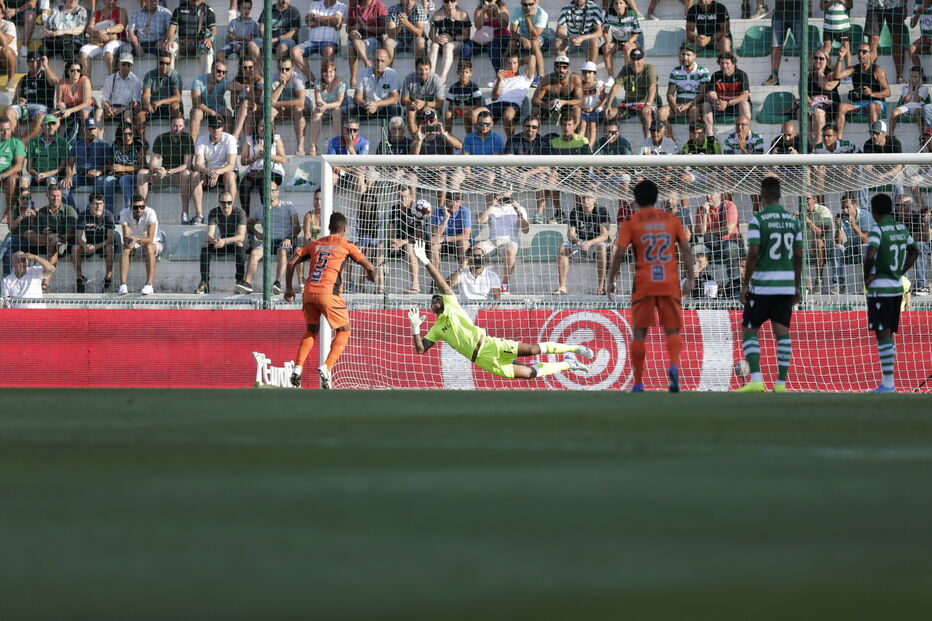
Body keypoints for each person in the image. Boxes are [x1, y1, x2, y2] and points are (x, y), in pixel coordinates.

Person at [408, 239, 593, 379]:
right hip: (483, 360)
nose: (435, 301)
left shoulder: (452, 307)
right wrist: (416, 329)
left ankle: (575, 348)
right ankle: (569, 364)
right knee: (530, 373)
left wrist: (425, 260)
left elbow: (444, 286)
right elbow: (421, 349)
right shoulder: (437, 328)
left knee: (534, 350)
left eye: (438, 298)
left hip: (490, 345)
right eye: (433, 302)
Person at [607, 179, 695, 393]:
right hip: (669, 281)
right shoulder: (671, 220)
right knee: (672, 330)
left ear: (635, 200)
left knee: (639, 333)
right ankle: (673, 366)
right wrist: (691, 277)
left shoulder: (631, 222)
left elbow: (619, 252)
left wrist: (610, 280)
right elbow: (685, 247)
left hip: (644, 283)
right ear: (657, 198)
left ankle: (638, 383)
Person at [285, 212, 377, 389]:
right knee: (344, 331)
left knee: (311, 330)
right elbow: (370, 267)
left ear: (328, 228)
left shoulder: (315, 244)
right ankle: (327, 367)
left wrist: (289, 288)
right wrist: (372, 277)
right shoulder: (347, 245)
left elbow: (291, 263)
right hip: (329, 294)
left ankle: (297, 368)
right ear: (344, 229)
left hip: (309, 292)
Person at [734, 176, 802, 393]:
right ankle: (781, 384)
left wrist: (745, 284)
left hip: (764, 284)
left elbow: (753, 253)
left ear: (761, 196)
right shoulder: (793, 221)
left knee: (749, 328)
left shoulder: (758, 220)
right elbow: (799, 256)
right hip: (785, 285)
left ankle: (756, 380)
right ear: (780, 195)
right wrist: (797, 286)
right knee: (782, 331)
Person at [863, 193, 919, 392]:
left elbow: (870, 254)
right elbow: (915, 250)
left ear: (874, 211)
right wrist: (900, 271)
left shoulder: (878, 230)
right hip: (896, 288)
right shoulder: (901, 228)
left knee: (883, 333)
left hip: (881, 288)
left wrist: (867, 275)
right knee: (889, 333)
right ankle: (888, 382)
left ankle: (888, 384)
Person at [243, 180, 298, 295]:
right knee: (254, 253)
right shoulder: (260, 209)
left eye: (273, 190)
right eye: (268, 191)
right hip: (268, 241)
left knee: (282, 252)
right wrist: (256, 233)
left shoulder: (288, 205)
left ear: (277, 192)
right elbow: (249, 224)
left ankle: (277, 283)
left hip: (284, 240)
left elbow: (297, 227)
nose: (270, 193)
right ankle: (247, 284)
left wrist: (289, 238)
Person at [553, 192, 610, 295]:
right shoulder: (575, 211)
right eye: (584, 197)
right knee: (563, 249)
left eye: (589, 197)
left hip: (596, 242)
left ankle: (601, 288)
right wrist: (579, 242)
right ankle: (562, 287)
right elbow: (571, 235)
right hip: (580, 242)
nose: (586, 199)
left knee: (602, 248)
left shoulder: (601, 211)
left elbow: (605, 235)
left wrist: (590, 242)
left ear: (594, 199)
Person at [140, 115, 194, 221]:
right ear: (170, 125)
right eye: (175, 126)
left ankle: (184, 214)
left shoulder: (188, 138)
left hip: (178, 176)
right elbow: (153, 163)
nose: (177, 128)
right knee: (142, 173)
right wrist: (158, 170)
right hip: (163, 175)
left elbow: (186, 165)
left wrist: (169, 171)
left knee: (186, 173)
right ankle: (143, 212)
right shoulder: (161, 138)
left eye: (180, 126)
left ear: (184, 126)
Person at [22, 184, 76, 291]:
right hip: (45, 239)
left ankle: (45, 283)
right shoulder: (42, 211)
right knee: (27, 233)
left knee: (54, 245)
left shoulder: (69, 210)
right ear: (47, 196)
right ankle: (51, 240)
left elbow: (71, 231)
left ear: (62, 196)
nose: (55, 198)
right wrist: (43, 232)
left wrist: (59, 237)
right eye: (52, 196)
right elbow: (34, 230)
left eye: (58, 196)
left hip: (62, 241)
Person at [475, 191, 528, 294]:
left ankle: (504, 284)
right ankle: (477, 282)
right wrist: (492, 205)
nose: (503, 194)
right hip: (492, 241)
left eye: (505, 192)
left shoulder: (520, 208)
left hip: (509, 241)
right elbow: (480, 221)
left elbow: (525, 230)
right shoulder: (492, 208)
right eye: (500, 191)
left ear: (511, 193)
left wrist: (518, 211)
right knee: (476, 250)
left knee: (510, 251)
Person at [196, 192, 247, 294]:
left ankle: (239, 281)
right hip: (223, 242)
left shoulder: (240, 212)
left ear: (233, 202)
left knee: (239, 244)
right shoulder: (214, 212)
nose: (226, 206)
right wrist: (214, 240)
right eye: (223, 203)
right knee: (205, 246)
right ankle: (204, 282)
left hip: (237, 243)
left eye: (229, 202)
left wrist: (224, 240)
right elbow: (210, 234)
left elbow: (241, 236)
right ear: (219, 203)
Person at [192, 115, 238, 223]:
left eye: (218, 126)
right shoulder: (202, 139)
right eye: (213, 127)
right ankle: (199, 215)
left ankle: (231, 212)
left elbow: (231, 165)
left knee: (230, 175)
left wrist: (216, 172)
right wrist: (209, 172)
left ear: (222, 127)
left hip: (225, 172)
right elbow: (197, 164)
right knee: (194, 176)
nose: (216, 130)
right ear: (209, 128)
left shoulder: (230, 139)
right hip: (208, 172)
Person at [605, 47, 658, 139]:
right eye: (633, 59)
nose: (635, 62)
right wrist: (608, 105)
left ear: (643, 59)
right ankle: (611, 142)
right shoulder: (626, 68)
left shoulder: (650, 68)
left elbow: (652, 87)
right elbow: (616, 86)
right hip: (629, 105)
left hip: (645, 103)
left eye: (638, 59)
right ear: (630, 59)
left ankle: (647, 143)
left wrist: (648, 104)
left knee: (647, 114)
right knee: (609, 114)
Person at [833, 43, 890, 125]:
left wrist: (872, 94)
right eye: (859, 52)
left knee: (871, 106)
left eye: (864, 52)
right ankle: (838, 137)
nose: (860, 54)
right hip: (858, 103)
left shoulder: (877, 70)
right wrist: (840, 58)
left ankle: (873, 136)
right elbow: (837, 75)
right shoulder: (854, 69)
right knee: (841, 107)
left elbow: (888, 92)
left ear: (870, 54)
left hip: (876, 102)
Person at [238, 117, 286, 214]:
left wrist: (267, 155)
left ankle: (266, 214)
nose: (263, 129)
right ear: (256, 127)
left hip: (273, 172)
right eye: (261, 126)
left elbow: (282, 158)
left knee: (264, 183)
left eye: (266, 126)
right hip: (255, 172)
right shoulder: (250, 140)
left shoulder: (276, 138)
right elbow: (243, 161)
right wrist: (255, 157)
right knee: (243, 185)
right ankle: (245, 216)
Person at [10, 52, 59, 142]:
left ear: (42, 62)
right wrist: (18, 101)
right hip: (25, 107)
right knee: (8, 112)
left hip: (41, 108)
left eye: (38, 61)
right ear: (27, 63)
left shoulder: (46, 76)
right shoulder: (23, 79)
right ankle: (17, 139)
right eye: (31, 61)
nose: (35, 64)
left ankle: (21, 142)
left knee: (41, 117)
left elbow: (55, 81)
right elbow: (14, 100)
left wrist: (46, 66)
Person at [77, 0, 129, 83]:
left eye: (114, 0)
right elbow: (89, 28)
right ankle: (87, 86)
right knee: (83, 51)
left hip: (117, 40)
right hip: (99, 41)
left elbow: (121, 26)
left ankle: (113, 82)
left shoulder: (121, 10)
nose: (112, 1)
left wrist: (106, 30)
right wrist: (97, 34)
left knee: (108, 50)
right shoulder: (96, 13)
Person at [71, 193, 114, 292]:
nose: (98, 206)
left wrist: (96, 246)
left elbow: (110, 239)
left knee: (110, 248)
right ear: (90, 204)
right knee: (75, 248)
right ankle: (79, 279)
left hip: (103, 244)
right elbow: (78, 237)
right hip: (89, 244)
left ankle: (108, 278)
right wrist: (85, 245)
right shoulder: (83, 215)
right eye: (95, 203)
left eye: (101, 204)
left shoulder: (108, 215)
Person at [118, 194, 160, 295]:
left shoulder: (151, 212)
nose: (139, 210)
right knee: (126, 248)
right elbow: (125, 237)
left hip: (155, 241)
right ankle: (123, 284)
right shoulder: (124, 212)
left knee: (149, 247)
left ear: (145, 206)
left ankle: (149, 285)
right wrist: (130, 241)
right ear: (130, 207)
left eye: (142, 207)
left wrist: (136, 239)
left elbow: (150, 239)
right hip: (136, 241)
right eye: (136, 207)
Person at [293, 0, 346, 79]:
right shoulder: (315, 4)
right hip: (312, 42)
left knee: (329, 50)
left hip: (330, 42)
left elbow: (335, 21)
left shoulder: (342, 6)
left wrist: (315, 17)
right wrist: (330, 21)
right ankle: (311, 79)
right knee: (294, 51)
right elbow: (309, 22)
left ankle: (323, 80)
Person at [832, 191, 872, 294]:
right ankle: (838, 285)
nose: (845, 210)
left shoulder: (865, 215)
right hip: (852, 246)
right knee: (837, 248)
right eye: (843, 208)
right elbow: (838, 241)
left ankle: (867, 283)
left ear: (855, 205)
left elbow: (866, 240)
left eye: (847, 207)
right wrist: (838, 227)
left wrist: (854, 226)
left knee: (864, 247)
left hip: (869, 247)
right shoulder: (843, 217)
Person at [701, 52, 749, 134]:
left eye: (727, 63)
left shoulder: (741, 75)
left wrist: (727, 103)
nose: (724, 65)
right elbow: (710, 94)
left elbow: (745, 96)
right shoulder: (716, 75)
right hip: (720, 105)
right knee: (705, 105)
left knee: (744, 104)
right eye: (721, 63)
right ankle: (710, 137)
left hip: (735, 105)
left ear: (733, 64)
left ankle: (745, 134)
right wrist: (717, 101)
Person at [665, 44, 709, 134]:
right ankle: (671, 141)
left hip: (694, 105)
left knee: (694, 111)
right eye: (683, 54)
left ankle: (692, 141)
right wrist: (675, 107)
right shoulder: (675, 71)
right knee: (661, 113)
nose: (685, 58)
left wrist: (687, 106)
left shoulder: (702, 71)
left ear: (695, 56)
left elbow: (702, 94)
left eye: (688, 55)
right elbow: (670, 94)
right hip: (679, 105)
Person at [427, 0, 472, 85]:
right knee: (433, 45)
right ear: (443, 2)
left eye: (452, 1)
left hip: (457, 43)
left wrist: (452, 38)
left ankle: (443, 78)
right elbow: (431, 35)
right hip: (441, 42)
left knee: (448, 46)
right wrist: (436, 39)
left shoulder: (463, 14)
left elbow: (466, 36)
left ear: (456, 2)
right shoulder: (437, 14)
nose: (449, 3)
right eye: (446, 1)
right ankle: (430, 76)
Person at [347, 0, 388, 90]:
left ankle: (363, 66)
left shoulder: (379, 5)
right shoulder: (354, 6)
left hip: (375, 40)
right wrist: (356, 27)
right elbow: (348, 29)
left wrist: (367, 28)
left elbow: (384, 29)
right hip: (358, 40)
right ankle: (354, 78)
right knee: (352, 42)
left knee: (352, 46)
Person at [308, 60, 346, 157]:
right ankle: (313, 145)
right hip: (325, 108)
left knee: (336, 111)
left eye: (331, 72)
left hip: (339, 108)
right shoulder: (318, 82)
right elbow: (318, 100)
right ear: (322, 73)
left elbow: (339, 102)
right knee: (316, 113)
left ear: (335, 72)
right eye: (326, 72)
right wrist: (321, 105)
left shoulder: (340, 83)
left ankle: (339, 142)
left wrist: (326, 106)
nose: (328, 74)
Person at [107, 121, 147, 213]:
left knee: (124, 179)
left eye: (130, 134)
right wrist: (113, 168)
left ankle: (129, 210)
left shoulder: (138, 146)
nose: (127, 137)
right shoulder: (115, 145)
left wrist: (123, 168)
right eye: (124, 134)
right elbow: (110, 163)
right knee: (107, 181)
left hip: (134, 176)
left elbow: (142, 167)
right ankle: (108, 213)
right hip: (118, 175)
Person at [167, 0, 216, 74]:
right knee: (169, 49)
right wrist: (170, 39)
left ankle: (206, 80)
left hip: (200, 42)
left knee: (208, 50)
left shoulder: (208, 10)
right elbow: (172, 27)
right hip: (182, 42)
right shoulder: (179, 9)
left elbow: (213, 29)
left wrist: (209, 39)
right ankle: (170, 79)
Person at [270, 57, 307, 154]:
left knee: (298, 110)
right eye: (281, 69)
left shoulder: (297, 78)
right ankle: (270, 146)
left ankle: (300, 147)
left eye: (287, 69)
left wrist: (278, 103)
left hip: (298, 108)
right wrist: (281, 85)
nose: (284, 72)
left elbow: (301, 101)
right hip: (283, 109)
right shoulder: (274, 79)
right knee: (270, 112)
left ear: (292, 69)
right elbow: (270, 101)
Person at [487, 54, 531, 137]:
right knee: (475, 114)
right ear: (505, 64)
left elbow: (532, 58)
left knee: (508, 114)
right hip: (498, 104)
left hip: (513, 105)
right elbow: (494, 98)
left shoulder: (524, 78)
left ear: (518, 64)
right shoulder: (499, 79)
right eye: (509, 63)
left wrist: (520, 63)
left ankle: (510, 141)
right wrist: (499, 80)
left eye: (514, 63)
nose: (511, 65)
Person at [352, 48, 401, 120]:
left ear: (387, 62)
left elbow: (395, 98)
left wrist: (376, 104)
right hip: (368, 107)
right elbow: (357, 98)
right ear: (372, 59)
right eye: (377, 60)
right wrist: (367, 105)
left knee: (395, 109)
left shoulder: (393, 74)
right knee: (352, 111)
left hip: (385, 108)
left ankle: (392, 131)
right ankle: (353, 131)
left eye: (382, 61)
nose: (379, 63)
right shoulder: (363, 73)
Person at [531, 55, 582, 124]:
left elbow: (580, 101)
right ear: (554, 68)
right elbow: (534, 100)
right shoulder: (547, 80)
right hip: (549, 108)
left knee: (577, 109)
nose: (561, 70)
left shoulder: (574, 78)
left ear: (568, 69)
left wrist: (564, 102)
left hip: (567, 108)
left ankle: (575, 133)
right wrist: (547, 105)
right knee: (535, 110)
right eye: (558, 67)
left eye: (564, 67)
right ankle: (535, 132)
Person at [866, 0, 907, 84]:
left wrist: (905, 6)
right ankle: (869, 76)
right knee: (872, 43)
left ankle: (899, 77)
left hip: (896, 4)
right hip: (874, 5)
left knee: (897, 41)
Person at [190, 60, 232, 140]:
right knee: (196, 114)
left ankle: (227, 144)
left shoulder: (224, 80)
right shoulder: (198, 80)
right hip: (201, 109)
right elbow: (196, 103)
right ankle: (192, 148)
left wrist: (245, 87)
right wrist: (211, 112)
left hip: (218, 108)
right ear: (212, 69)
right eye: (219, 71)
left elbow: (232, 86)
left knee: (227, 113)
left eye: (224, 72)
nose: (221, 74)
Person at [402, 56, 445, 136]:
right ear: (416, 69)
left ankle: (430, 140)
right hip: (414, 107)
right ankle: (416, 139)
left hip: (431, 108)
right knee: (410, 111)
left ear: (430, 69)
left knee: (427, 112)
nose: (424, 72)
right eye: (421, 69)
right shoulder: (408, 78)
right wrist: (411, 103)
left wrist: (424, 103)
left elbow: (440, 104)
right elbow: (403, 100)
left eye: (426, 69)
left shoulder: (436, 79)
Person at [762, 0, 802, 86]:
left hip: (798, 11)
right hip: (779, 10)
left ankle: (808, 75)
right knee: (775, 45)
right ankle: (774, 76)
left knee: (803, 44)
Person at [508, 0, 548, 82]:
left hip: (542, 38)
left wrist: (527, 17)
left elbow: (534, 35)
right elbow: (513, 32)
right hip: (525, 38)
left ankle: (540, 76)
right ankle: (509, 74)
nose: (528, 7)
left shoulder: (542, 14)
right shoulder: (517, 11)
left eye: (530, 4)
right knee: (512, 43)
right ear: (521, 3)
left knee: (534, 42)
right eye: (525, 5)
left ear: (535, 3)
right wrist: (522, 38)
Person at [601, 0, 643, 77]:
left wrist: (629, 42)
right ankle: (610, 77)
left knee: (627, 49)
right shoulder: (609, 14)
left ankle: (628, 75)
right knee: (606, 49)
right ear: (613, 5)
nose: (618, 6)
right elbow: (605, 31)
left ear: (626, 5)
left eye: (621, 3)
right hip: (616, 42)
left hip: (631, 42)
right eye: (616, 3)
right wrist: (607, 42)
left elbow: (636, 33)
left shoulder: (632, 14)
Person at [139, 52, 182, 126]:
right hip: (153, 106)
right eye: (162, 63)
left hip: (169, 106)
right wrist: (147, 103)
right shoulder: (149, 75)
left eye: (167, 63)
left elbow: (178, 97)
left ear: (170, 64)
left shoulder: (175, 75)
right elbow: (145, 95)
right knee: (139, 112)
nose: (164, 66)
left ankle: (176, 134)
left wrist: (160, 102)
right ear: (157, 63)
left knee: (175, 107)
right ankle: (141, 137)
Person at [99, 52, 142, 127]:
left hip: (127, 108)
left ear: (132, 66)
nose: (126, 67)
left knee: (127, 113)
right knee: (98, 112)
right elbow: (105, 99)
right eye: (123, 64)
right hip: (112, 107)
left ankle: (128, 135)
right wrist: (107, 107)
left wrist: (120, 110)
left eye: (128, 65)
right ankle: (99, 137)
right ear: (118, 64)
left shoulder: (136, 81)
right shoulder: (109, 79)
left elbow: (135, 103)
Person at [430, 191, 471, 268]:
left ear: (461, 202)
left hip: (456, 241)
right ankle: (436, 278)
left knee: (464, 243)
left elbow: (466, 235)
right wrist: (446, 218)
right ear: (446, 201)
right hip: (442, 243)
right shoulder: (438, 211)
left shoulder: (465, 211)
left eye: (457, 201)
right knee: (433, 244)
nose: (453, 204)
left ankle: (463, 274)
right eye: (450, 201)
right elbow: (435, 234)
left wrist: (446, 238)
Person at [26, 115, 68, 188]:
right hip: (35, 176)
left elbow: (62, 166)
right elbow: (29, 166)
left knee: (51, 181)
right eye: (48, 124)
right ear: (42, 126)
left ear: (56, 126)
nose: (51, 127)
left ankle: (53, 198)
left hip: (53, 176)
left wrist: (46, 174)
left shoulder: (62, 142)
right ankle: (24, 199)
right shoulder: (33, 142)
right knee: (23, 180)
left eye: (53, 124)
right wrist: (36, 175)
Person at [41, 0, 88, 65]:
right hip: (55, 39)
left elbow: (80, 29)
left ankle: (69, 73)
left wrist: (63, 32)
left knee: (68, 50)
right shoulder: (56, 9)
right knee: (41, 51)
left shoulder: (81, 10)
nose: (72, 1)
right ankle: (42, 72)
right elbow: (46, 26)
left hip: (72, 40)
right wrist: (46, 31)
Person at [471, 0, 510, 73]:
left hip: (501, 37)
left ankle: (499, 75)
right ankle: (463, 75)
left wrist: (497, 12)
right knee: (466, 48)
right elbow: (478, 26)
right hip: (485, 39)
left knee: (492, 47)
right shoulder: (479, 10)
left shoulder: (502, 8)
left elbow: (505, 25)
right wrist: (483, 11)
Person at [890, 66, 930, 136]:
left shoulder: (924, 89)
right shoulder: (905, 88)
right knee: (894, 112)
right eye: (911, 77)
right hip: (907, 107)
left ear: (920, 78)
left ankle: (922, 135)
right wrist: (911, 89)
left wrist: (917, 87)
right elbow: (906, 100)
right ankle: (890, 135)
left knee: (918, 111)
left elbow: (917, 100)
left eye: (915, 77)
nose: (913, 79)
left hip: (918, 107)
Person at [385, 0, 427, 64]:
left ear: (415, 1)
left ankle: (418, 69)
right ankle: (388, 71)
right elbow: (390, 34)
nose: (409, 2)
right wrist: (399, 26)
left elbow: (419, 33)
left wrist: (406, 23)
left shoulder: (419, 9)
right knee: (388, 42)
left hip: (413, 43)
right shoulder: (393, 9)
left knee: (420, 41)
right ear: (401, 0)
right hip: (398, 42)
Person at [0, 116, 25, 216]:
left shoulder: (16, 143)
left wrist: (2, 175)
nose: (6, 132)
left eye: (8, 129)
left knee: (12, 179)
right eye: (2, 130)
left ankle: (8, 212)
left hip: (7, 177)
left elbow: (19, 166)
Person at [908, 1, 932, 75]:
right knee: (911, 49)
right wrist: (918, 12)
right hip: (924, 38)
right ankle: (920, 74)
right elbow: (912, 25)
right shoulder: (917, 6)